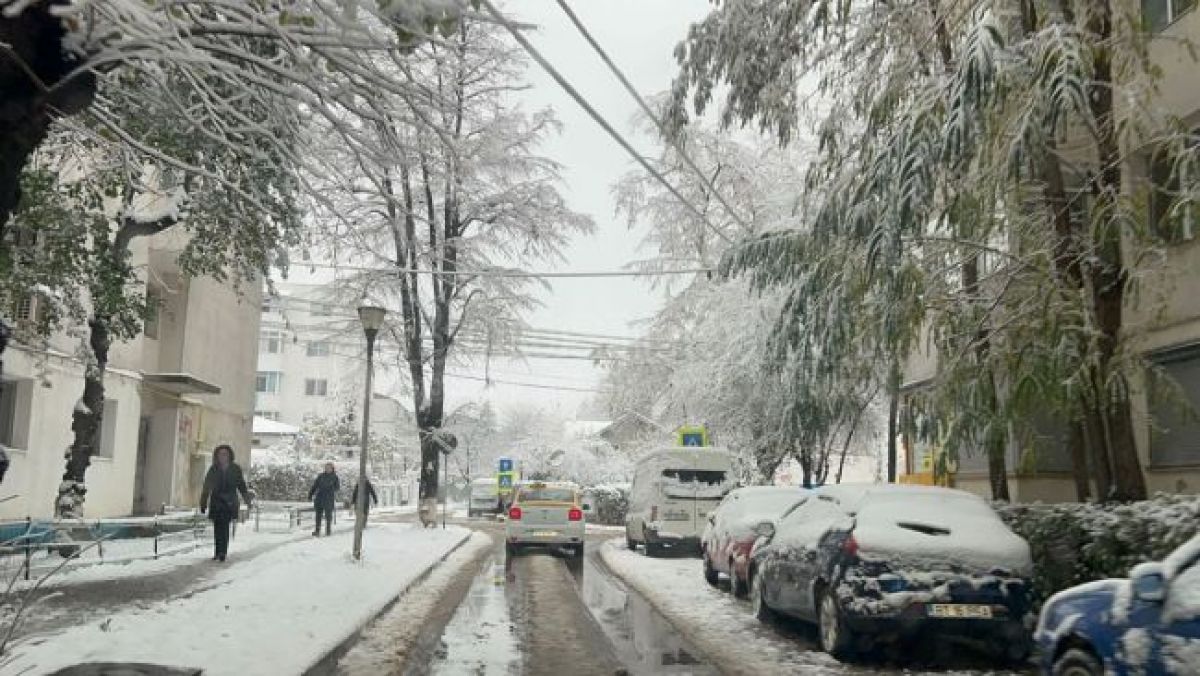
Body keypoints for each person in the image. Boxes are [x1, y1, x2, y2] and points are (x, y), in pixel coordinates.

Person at [199, 444, 251, 562]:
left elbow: (241, 485)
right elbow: (207, 486)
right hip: (216, 502)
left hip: (229, 502)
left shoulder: (235, 469)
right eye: (220, 454)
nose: (222, 456)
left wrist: (247, 500)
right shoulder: (214, 469)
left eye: (225, 454)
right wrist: (203, 502)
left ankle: (223, 552)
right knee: (217, 528)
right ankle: (217, 552)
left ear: (229, 456)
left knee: (225, 527)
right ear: (217, 456)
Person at [308, 462, 339, 536]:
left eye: (329, 468)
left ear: (332, 469)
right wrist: (310, 494)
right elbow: (315, 486)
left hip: (329, 499)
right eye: (326, 468)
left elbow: (337, 487)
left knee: (328, 516)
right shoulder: (321, 476)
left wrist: (331, 489)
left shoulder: (335, 477)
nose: (327, 469)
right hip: (319, 498)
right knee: (318, 515)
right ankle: (317, 530)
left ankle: (328, 530)